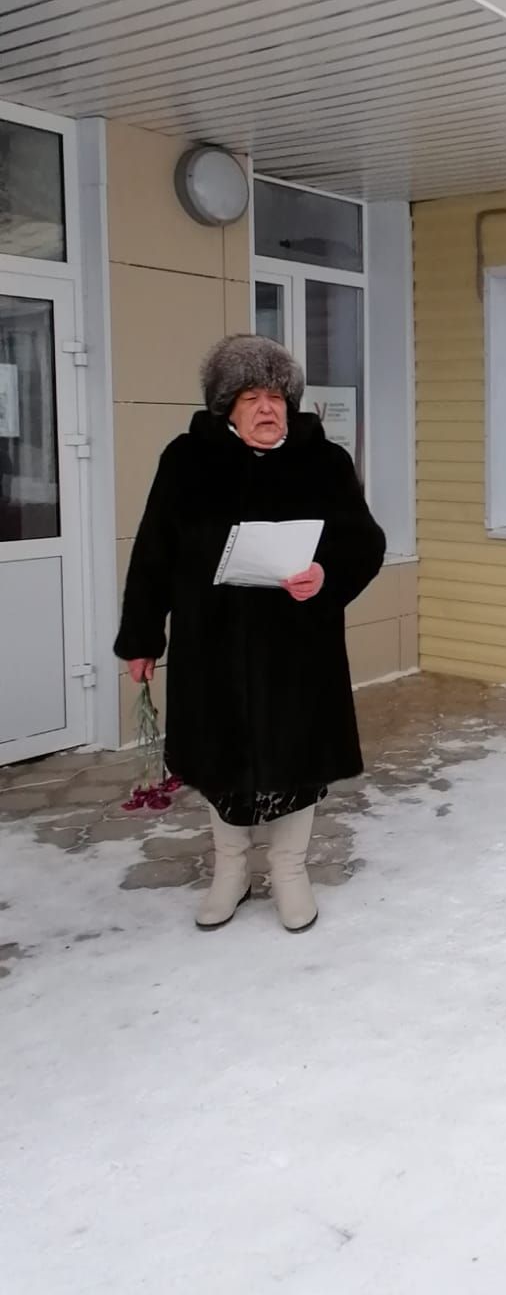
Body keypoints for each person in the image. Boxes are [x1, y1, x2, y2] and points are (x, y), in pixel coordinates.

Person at [114, 335, 386, 932]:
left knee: (298, 759)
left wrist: (326, 574)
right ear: (225, 407)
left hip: (298, 647)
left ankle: (290, 870)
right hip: (211, 646)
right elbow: (154, 552)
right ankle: (230, 870)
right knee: (220, 758)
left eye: (277, 396)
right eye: (251, 396)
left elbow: (364, 541)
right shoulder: (187, 460)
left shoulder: (324, 461)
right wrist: (140, 639)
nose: (267, 408)